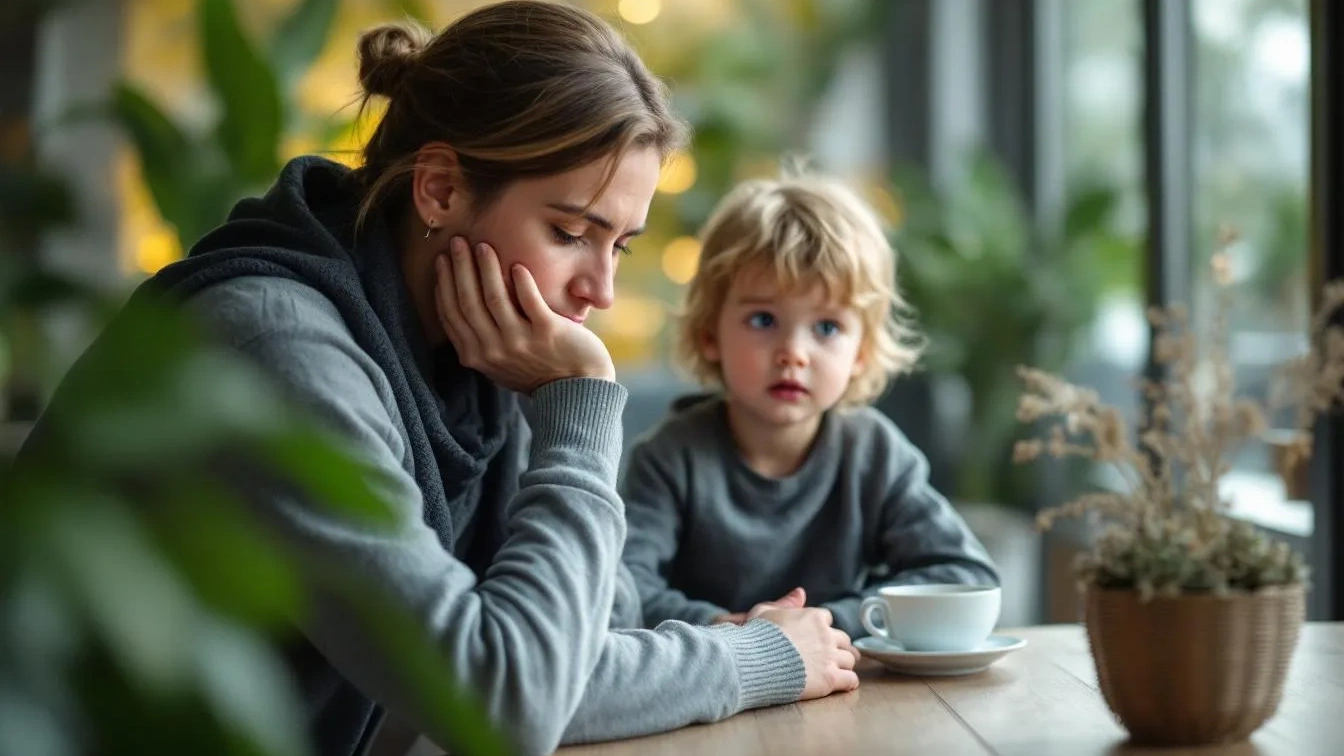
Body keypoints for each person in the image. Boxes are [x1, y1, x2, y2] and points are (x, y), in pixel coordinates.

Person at [16, 4, 860, 756]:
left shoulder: (469, 358)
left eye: (622, 246)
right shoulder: (274, 341)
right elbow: (504, 705)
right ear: (441, 187)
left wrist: (723, 641)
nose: (599, 291)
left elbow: (568, 647)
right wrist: (582, 412)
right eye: (572, 231)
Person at [619, 169, 1000, 639]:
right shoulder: (668, 457)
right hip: (715, 690)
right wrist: (732, 629)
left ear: (860, 353)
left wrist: (828, 621)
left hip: (842, 687)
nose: (793, 353)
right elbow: (621, 592)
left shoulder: (873, 452)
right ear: (708, 334)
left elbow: (965, 577)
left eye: (826, 328)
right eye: (763, 319)